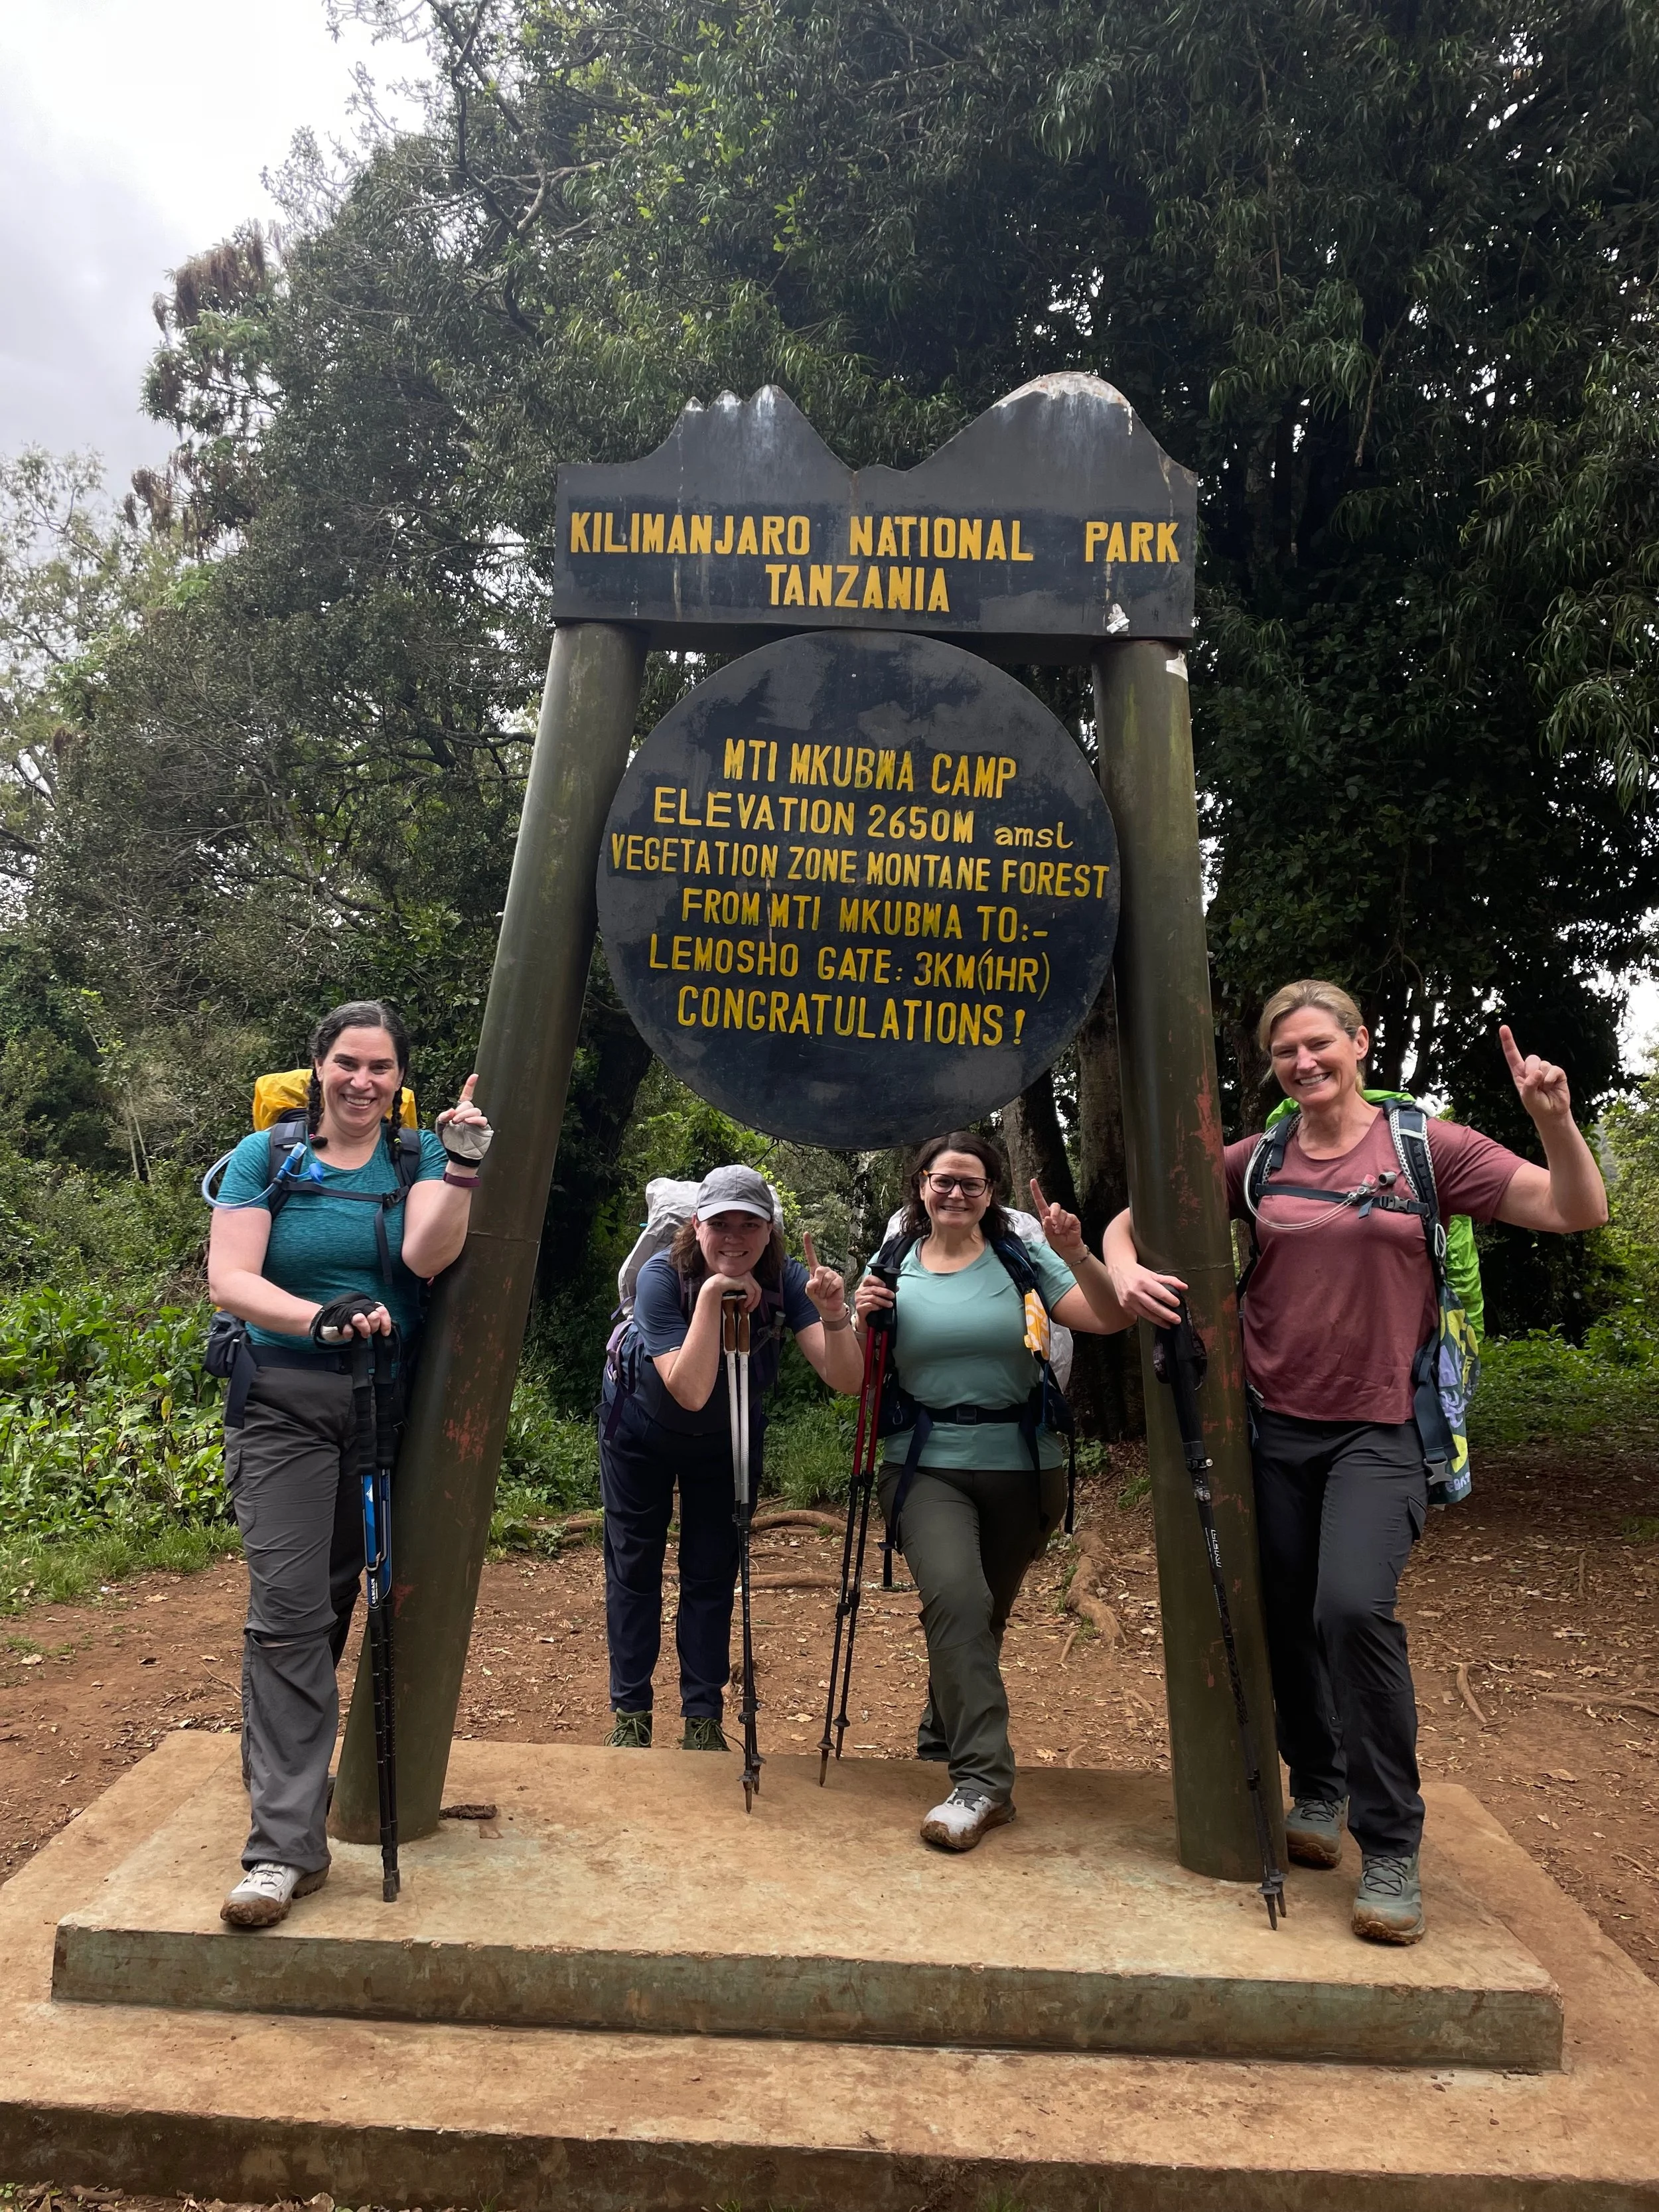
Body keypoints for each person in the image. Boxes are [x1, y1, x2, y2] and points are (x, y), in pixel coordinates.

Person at [1104, 980, 1607, 1943]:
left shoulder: (1425, 1146)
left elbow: (1573, 1210)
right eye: (1285, 1050)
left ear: (1360, 1043)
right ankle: (1320, 1788)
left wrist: (1556, 1121)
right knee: (1287, 1617)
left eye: (1319, 1044)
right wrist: (1125, 1266)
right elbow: (1139, 1216)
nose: (1304, 1062)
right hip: (1275, 1428)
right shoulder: (1264, 1158)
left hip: (1382, 1431)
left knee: (1352, 1611)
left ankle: (1391, 1843)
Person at [206, 999, 492, 1928]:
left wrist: (463, 1164)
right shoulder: (268, 1160)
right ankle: (282, 1850)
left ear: (400, 1077)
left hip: (385, 1411)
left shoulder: (411, 1161)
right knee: (290, 1614)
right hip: (283, 1404)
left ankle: (290, 1781)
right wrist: (315, 1315)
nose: (363, 1081)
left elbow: (423, 1253)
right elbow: (232, 1278)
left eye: (380, 1067)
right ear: (318, 1065)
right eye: (347, 1063)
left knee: (341, 1602)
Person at [851, 1131, 1131, 1853]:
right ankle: (982, 1783)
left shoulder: (1023, 1255)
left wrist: (1075, 1252)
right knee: (959, 1599)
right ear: (919, 1184)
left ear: (990, 1194)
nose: (954, 1194)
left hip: (1025, 1464)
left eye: (971, 1184)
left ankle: (942, 1724)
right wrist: (849, 1315)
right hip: (923, 1464)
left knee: (984, 1615)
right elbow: (856, 1369)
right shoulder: (891, 1265)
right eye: (943, 1180)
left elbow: (1107, 1317)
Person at [599, 1163, 863, 1748]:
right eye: (722, 1223)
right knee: (634, 1566)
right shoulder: (661, 1278)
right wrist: (715, 1296)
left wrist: (833, 1313)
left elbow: (845, 1378)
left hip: (727, 1438)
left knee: (713, 1569)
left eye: (751, 1223)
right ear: (697, 1225)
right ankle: (631, 1714)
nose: (736, 1237)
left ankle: (702, 1719)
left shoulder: (789, 1279)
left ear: (770, 1231)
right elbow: (689, 1390)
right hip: (639, 1431)